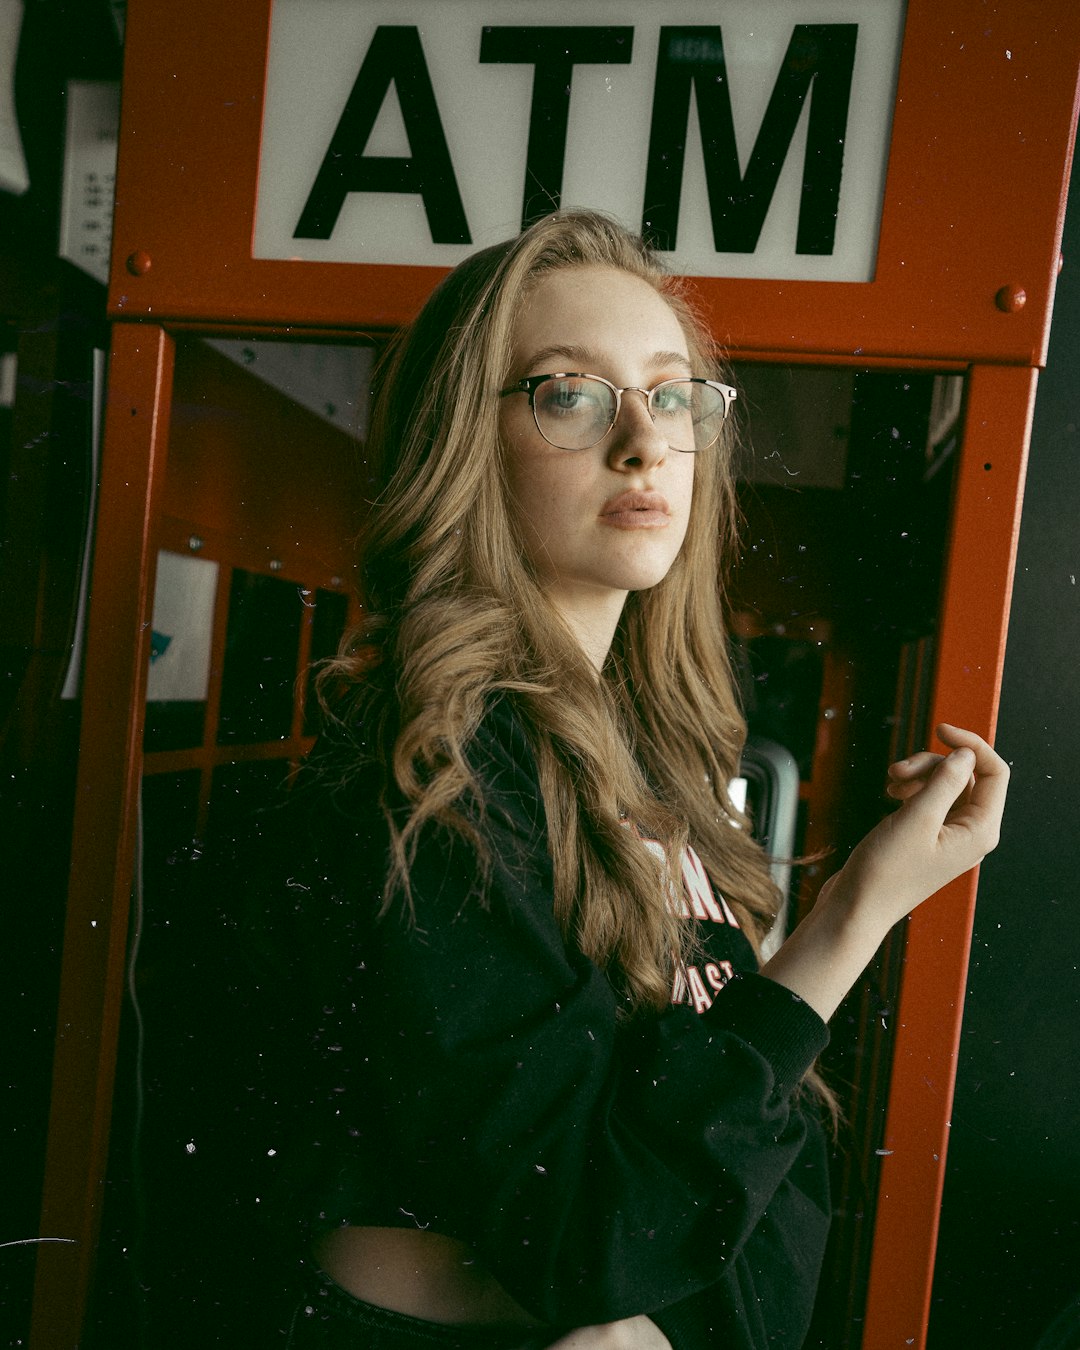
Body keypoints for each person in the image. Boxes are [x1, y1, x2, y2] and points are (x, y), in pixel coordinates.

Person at [270, 210, 1008, 1349]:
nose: (644, 442)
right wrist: (858, 909)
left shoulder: (647, 740)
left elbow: (713, 1158)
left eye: (671, 396)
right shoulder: (440, 759)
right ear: (465, 439)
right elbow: (589, 1236)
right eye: (569, 394)